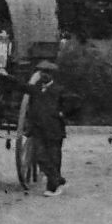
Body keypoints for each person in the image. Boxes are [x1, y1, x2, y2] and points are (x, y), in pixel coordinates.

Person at [26, 60, 74, 196]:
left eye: (47, 72)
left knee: (54, 158)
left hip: (54, 130)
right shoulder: (36, 89)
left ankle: (52, 187)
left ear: (52, 75)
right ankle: (58, 180)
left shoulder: (59, 90)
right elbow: (20, 86)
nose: (44, 75)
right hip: (38, 130)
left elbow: (75, 103)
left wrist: (63, 112)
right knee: (40, 156)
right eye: (41, 72)